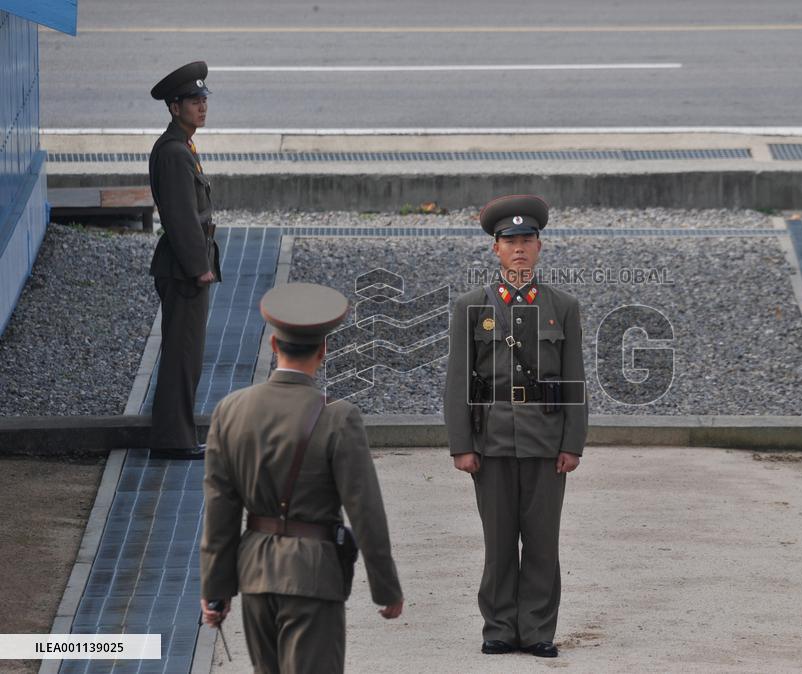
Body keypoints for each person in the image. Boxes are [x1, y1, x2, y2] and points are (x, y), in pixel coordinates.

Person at [200, 282, 404, 673]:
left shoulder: (230, 410)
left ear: (274, 346)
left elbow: (219, 509)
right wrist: (386, 588)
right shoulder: (338, 417)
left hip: (256, 573)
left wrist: (215, 590)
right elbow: (365, 511)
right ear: (323, 351)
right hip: (314, 575)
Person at [444, 194, 588, 658]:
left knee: (543, 543)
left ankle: (538, 629)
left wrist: (573, 443)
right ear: (496, 249)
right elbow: (457, 382)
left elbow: (574, 379)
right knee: (499, 542)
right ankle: (500, 628)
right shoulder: (471, 305)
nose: (520, 248)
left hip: (546, 442)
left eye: (528, 239)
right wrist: (461, 445)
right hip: (492, 440)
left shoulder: (562, 306)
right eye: (511, 241)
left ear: (540, 246)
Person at [148, 61, 222, 460]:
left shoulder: (181, 147)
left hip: (183, 266)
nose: (202, 107)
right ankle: (173, 438)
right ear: (174, 107)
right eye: (194, 101)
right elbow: (180, 217)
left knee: (186, 354)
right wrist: (200, 267)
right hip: (183, 269)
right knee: (182, 354)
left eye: (203, 99)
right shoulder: (175, 152)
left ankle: (174, 433)